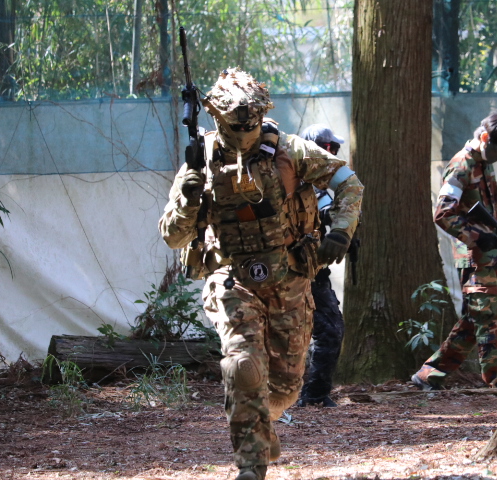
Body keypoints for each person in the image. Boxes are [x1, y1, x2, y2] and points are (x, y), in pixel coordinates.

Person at [158, 68, 363, 480]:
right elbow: (173, 236)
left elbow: (349, 184)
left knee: (285, 389)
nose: (244, 133)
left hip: (289, 279)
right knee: (243, 366)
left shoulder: (292, 151)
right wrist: (189, 196)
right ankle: (251, 465)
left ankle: (260, 423)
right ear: (218, 119)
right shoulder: (201, 162)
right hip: (231, 278)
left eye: (250, 125)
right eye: (234, 126)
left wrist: (341, 231)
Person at [411, 110, 497, 391]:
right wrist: (477, 238)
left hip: (484, 259)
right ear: (484, 138)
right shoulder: (462, 165)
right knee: (492, 320)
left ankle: (429, 374)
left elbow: (485, 215)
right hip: (472, 259)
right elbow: (443, 213)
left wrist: (496, 237)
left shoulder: (484, 164)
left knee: (473, 320)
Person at [296, 124, 347, 408]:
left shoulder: (323, 185)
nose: (335, 155)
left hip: (313, 272)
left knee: (330, 329)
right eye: (332, 149)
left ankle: (314, 394)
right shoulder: (291, 183)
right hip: (291, 273)